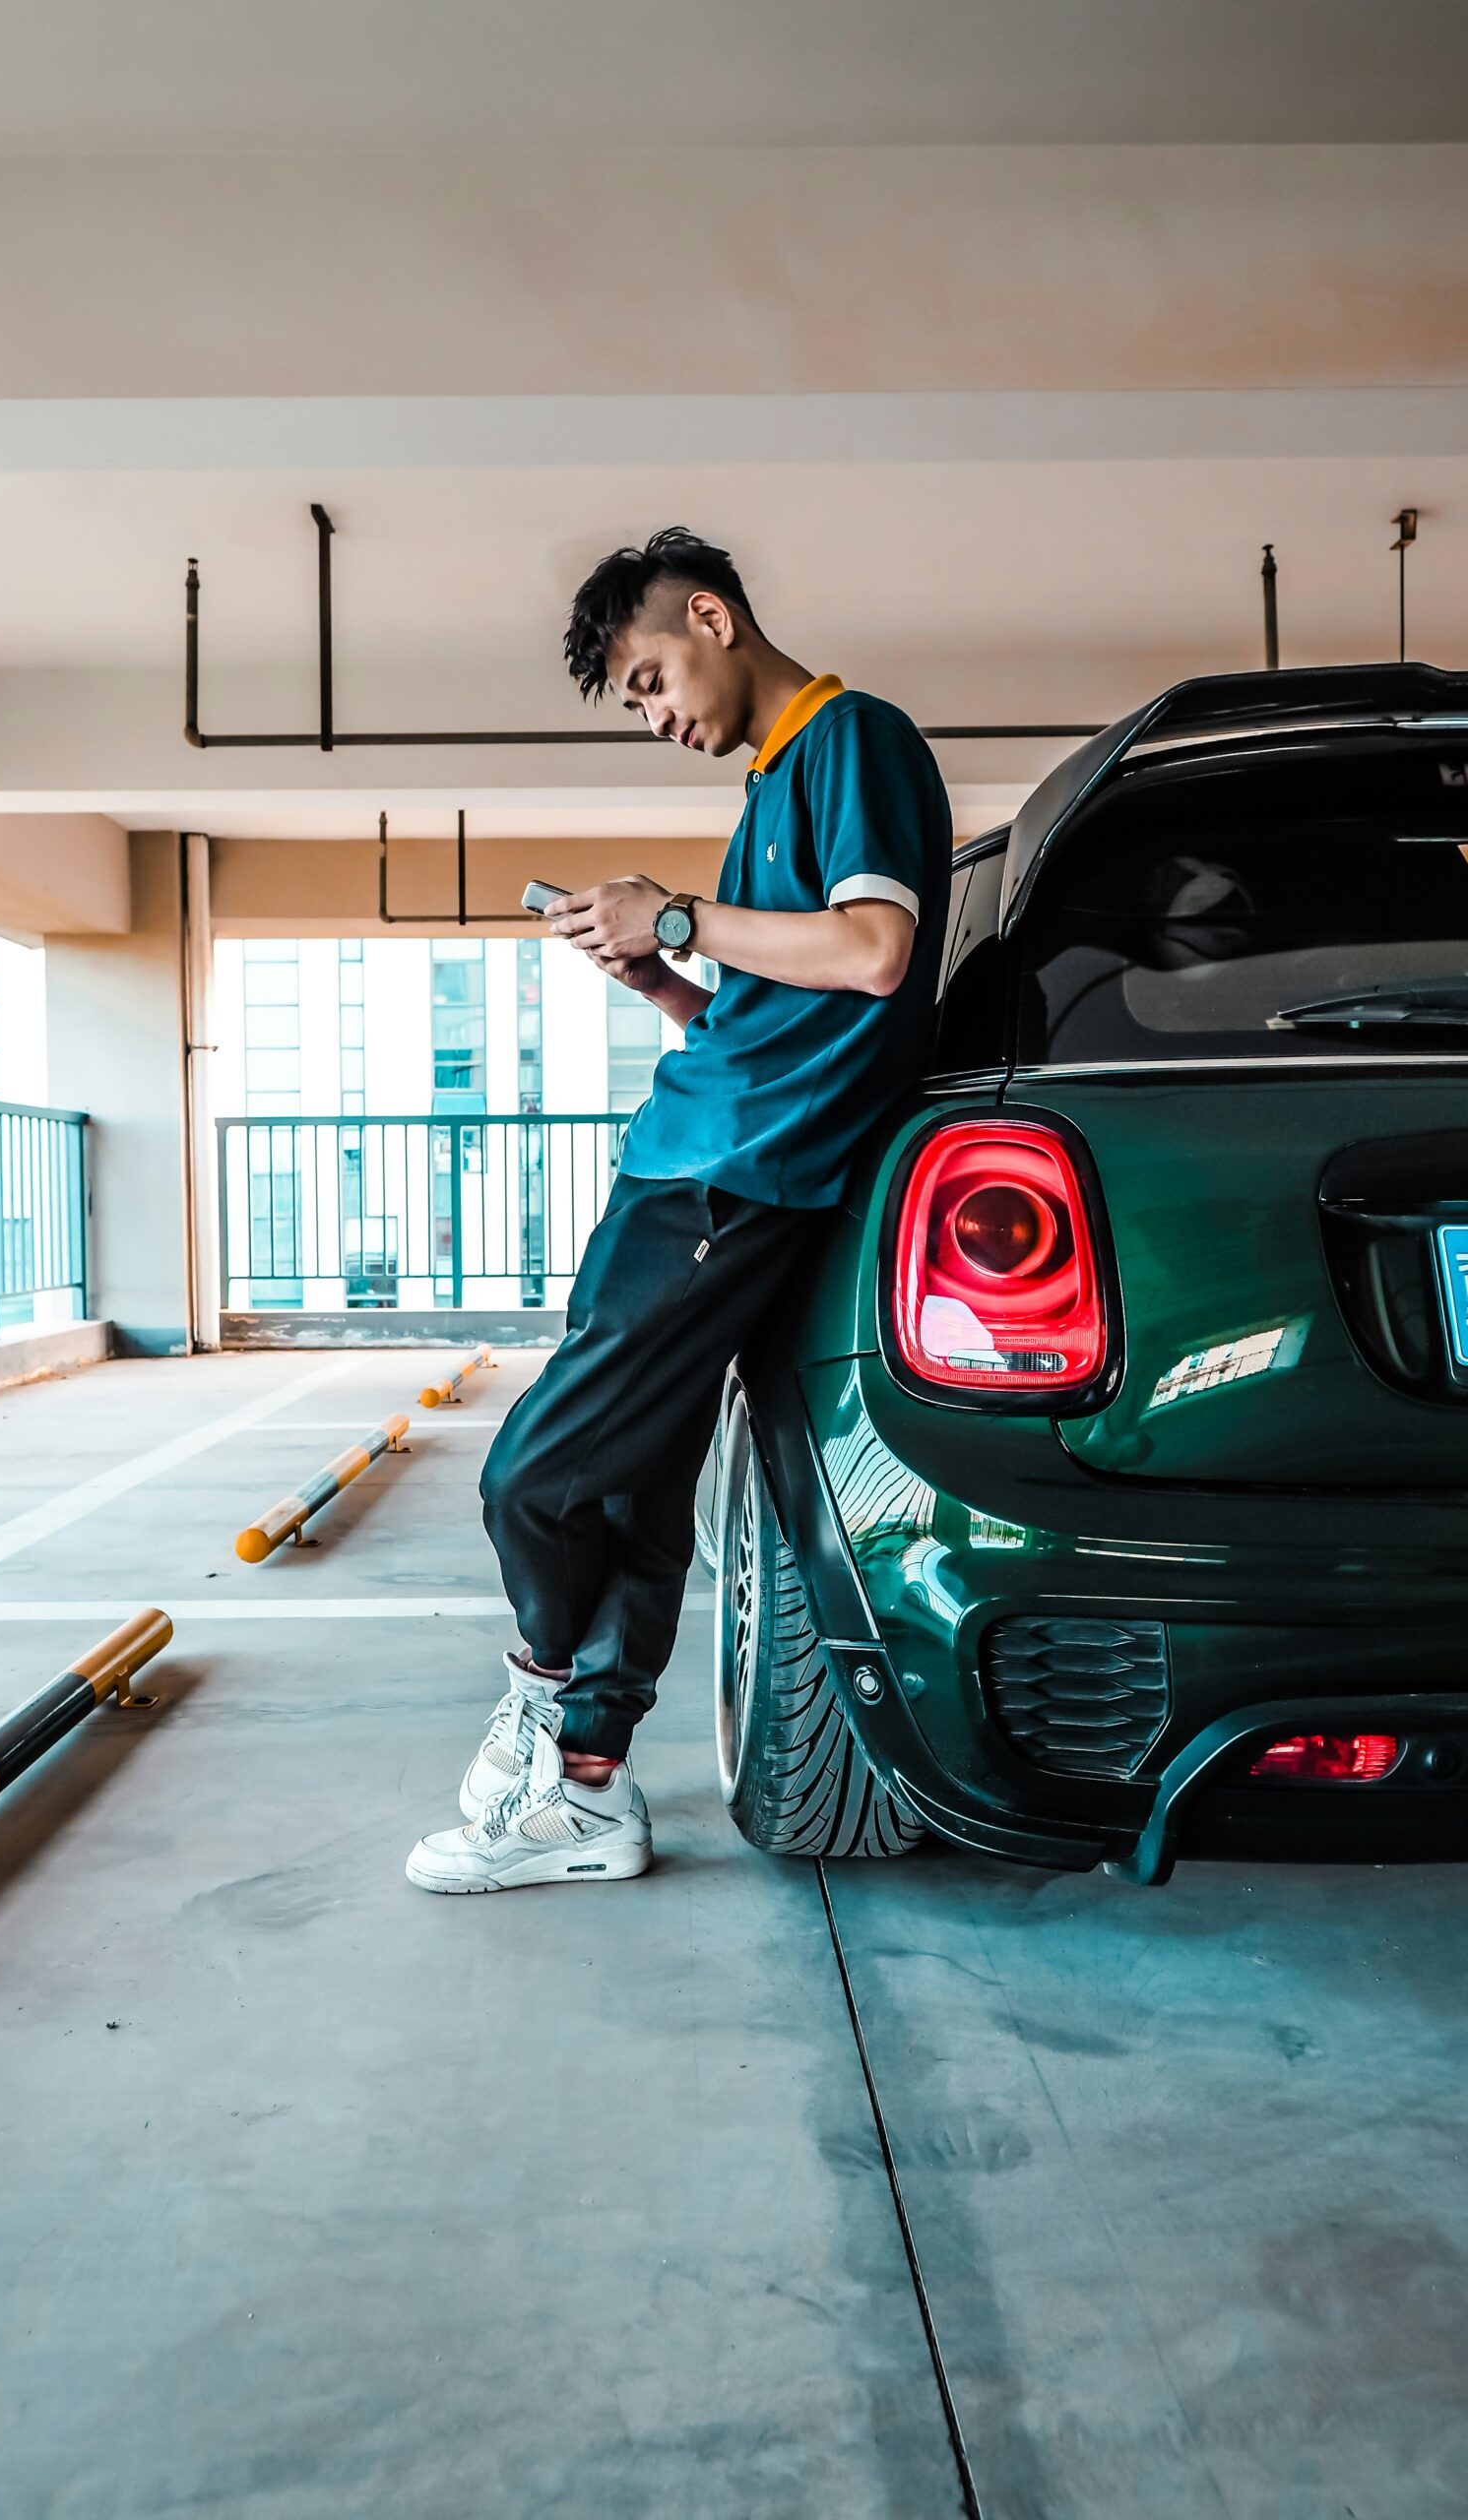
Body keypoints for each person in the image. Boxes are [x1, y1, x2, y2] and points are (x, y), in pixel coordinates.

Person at [405, 528, 951, 1893]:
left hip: (730, 1179)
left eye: (650, 679)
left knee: (533, 1473)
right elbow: (776, 1018)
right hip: (703, 1154)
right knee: (637, 1479)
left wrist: (683, 917)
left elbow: (878, 953)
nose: (656, 715)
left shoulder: (851, 742)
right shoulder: (777, 785)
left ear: (712, 618)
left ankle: (537, 1693)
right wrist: (655, 977)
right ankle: (587, 1792)